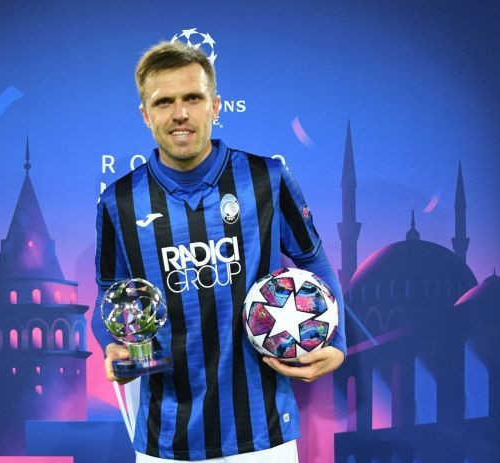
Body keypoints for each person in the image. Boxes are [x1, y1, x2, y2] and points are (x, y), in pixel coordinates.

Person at [93, 41, 346, 463]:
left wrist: (336, 340)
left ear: (215, 106)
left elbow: (313, 260)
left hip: (263, 432)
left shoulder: (267, 178)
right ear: (146, 115)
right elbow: (109, 293)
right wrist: (111, 344)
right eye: (163, 102)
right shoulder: (118, 202)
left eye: (193, 98)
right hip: (166, 438)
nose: (180, 113)